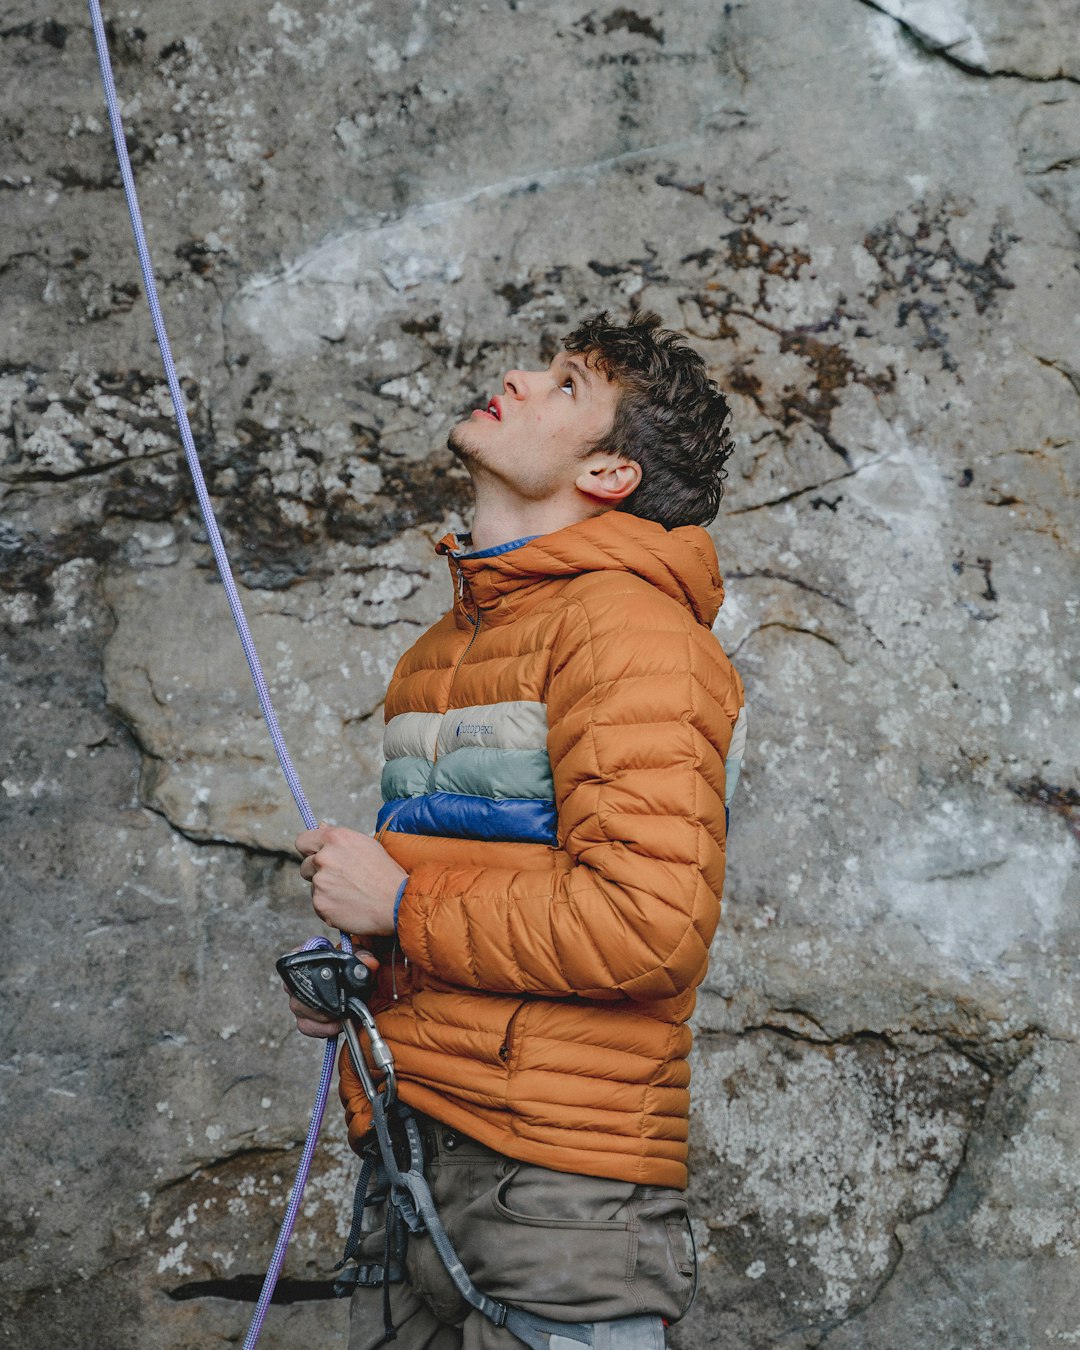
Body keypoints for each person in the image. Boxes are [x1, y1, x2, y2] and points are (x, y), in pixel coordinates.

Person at [287, 311, 747, 1349]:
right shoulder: (435, 653)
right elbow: (486, 888)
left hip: (559, 1192)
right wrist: (366, 959)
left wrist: (403, 902)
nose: (518, 377)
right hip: (413, 1162)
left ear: (610, 475)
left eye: (568, 385)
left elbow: (647, 927)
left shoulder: (629, 632)